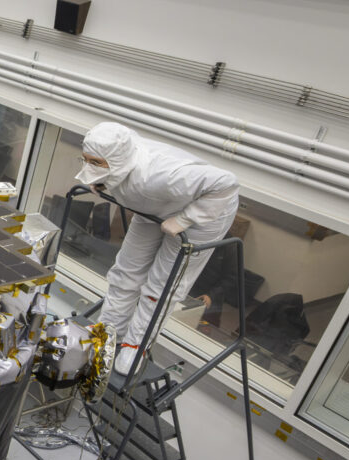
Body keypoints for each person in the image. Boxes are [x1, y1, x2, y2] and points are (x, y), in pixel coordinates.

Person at [75, 122, 239, 376]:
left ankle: (135, 345)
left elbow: (226, 184)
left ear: (118, 160)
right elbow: (111, 167)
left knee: (162, 286)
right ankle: (107, 331)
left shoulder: (162, 173)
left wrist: (185, 220)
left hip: (201, 212)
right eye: (86, 160)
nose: (88, 167)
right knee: (125, 272)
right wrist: (102, 181)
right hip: (152, 203)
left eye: (95, 162)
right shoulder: (120, 155)